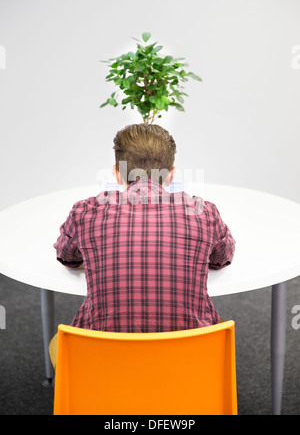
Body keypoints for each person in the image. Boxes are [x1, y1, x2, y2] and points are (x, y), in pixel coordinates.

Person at [49, 124, 235, 365]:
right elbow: (222, 257)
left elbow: (67, 257)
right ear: (171, 175)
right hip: (189, 361)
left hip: (103, 360)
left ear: (117, 173)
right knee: (215, 334)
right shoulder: (203, 212)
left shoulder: (86, 212)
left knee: (57, 342)